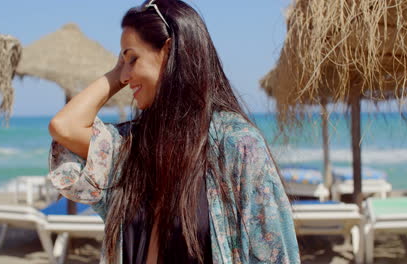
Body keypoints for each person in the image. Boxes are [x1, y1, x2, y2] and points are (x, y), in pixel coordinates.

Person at [47, 0, 300, 263]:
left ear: (168, 51)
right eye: (122, 63)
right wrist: (118, 69)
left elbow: (275, 253)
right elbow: (64, 126)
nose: (125, 76)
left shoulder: (236, 144)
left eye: (133, 59)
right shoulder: (131, 148)